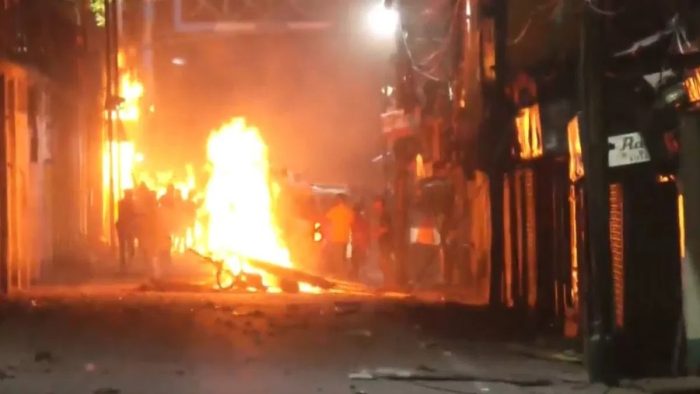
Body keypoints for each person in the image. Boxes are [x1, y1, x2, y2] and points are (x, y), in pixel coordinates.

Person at [323, 194, 354, 278]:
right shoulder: (348, 211)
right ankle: (343, 274)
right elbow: (352, 221)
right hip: (345, 238)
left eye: (336, 199)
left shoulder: (334, 210)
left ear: (339, 200)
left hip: (336, 237)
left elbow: (326, 218)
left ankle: (340, 276)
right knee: (343, 258)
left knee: (337, 258)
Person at [372, 196, 393, 287]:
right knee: (383, 263)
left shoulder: (385, 215)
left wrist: (376, 233)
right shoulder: (383, 214)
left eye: (376, 203)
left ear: (380, 204)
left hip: (386, 243)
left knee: (385, 263)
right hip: (384, 243)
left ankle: (388, 283)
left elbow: (386, 228)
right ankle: (387, 282)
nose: (374, 205)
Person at [116, 189, 137, 273]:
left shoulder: (121, 202)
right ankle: (125, 264)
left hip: (123, 225)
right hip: (125, 225)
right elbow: (131, 214)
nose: (131, 197)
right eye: (130, 195)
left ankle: (124, 264)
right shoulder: (128, 203)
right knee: (128, 246)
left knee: (124, 246)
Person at [350, 202, 369, 281]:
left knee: (357, 260)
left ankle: (357, 276)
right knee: (356, 260)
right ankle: (356, 275)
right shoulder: (359, 219)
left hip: (359, 243)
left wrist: (359, 241)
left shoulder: (358, 219)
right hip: (359, 243)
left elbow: (360, 231)